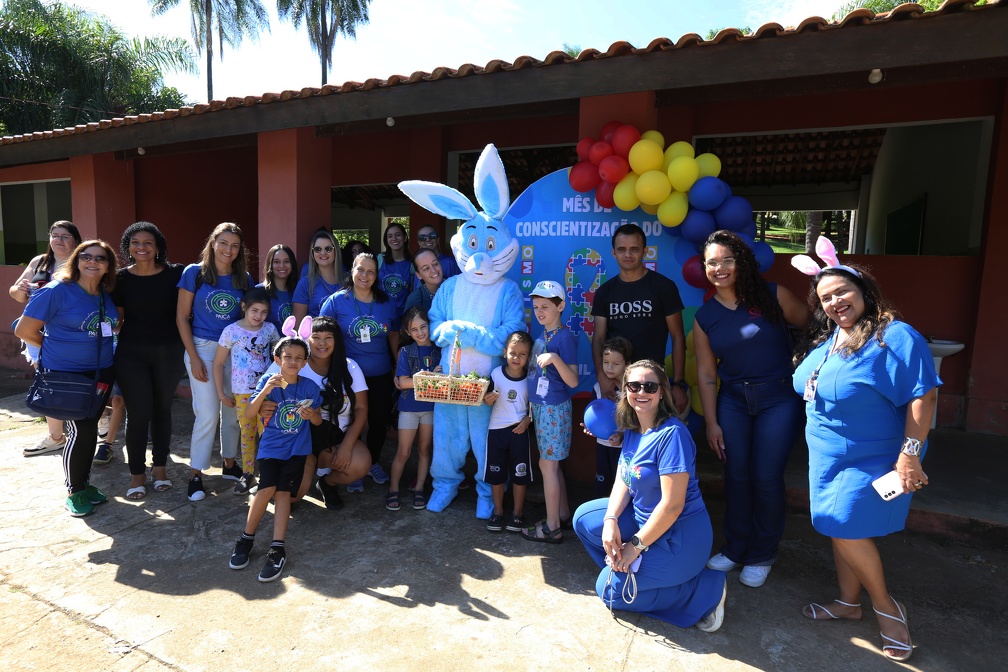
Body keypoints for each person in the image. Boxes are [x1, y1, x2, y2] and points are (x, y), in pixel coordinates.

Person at [791, 241, 938, 663]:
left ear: (864, 291)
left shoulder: (893, 336)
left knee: (845, 524)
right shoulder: (831, 340)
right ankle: (848, 603)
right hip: (826, 455)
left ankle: (887, 609)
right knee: (839, 528)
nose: (835, 302)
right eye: (826, 298)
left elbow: (922, 397)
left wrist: (910, 455)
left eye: (842, 292)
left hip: (873, 454)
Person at [573, 359, 727, 631]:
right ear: (625, 389)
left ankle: (701, 588)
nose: (641, 392)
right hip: (645, 522)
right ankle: (625, 570)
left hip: (679, 536)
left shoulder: (672, 435)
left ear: (662, 391)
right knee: (585, 519)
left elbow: (672, 506)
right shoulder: (634, 427)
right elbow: (624, 473)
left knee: (609, 592)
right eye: (634, 385)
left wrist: (634, 547)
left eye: (650, 386)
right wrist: (610, 519)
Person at [692, 230, 809, 589]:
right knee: (737, 475)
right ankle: (736, 547)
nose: (719, 268)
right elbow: (707, 373)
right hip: (734, 402)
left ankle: (762, 553)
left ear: (741, 262)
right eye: (712, 262)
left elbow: (813, 329)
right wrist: (711, 422)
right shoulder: (704, 317)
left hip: (778, 399)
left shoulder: (774, 296)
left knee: (766, 477)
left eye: (727, 259)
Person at [15, 240, 118, 517]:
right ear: (76, 260)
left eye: (100, 258)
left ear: (108, 266)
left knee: (89, 428)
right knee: (79, 431)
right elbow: (24, 330)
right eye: (86, 256)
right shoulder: (57, 291)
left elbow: (111, 326)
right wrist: (57, 350)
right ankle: (74, 490)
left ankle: (84, 484)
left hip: (101, 372)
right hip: (67, 374)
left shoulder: (104, 294)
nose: (93, 262)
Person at [229, 336, 322, 583]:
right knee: (265, 489)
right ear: (277, 359)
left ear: (304, 363)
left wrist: (311, 414)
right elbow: (248, 414)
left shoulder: (310, 387)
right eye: (288, 357)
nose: (293, 361)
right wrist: (266, 392)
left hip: (297, 450)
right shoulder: (267, 382)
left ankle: (277, 548)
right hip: (270, 448)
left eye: (298, 358)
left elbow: (318, 421)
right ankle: (246, 539)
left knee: (282, 494)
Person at [176, 222, 253, 502]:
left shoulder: (244, 278)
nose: (228, 250)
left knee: (233, 410)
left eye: (234, 245)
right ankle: (196, 474)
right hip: (203, 349)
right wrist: (194, 357)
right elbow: (181, 317)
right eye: (223, 243)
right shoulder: (194, 274)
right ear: (212, 243)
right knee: (208, 413)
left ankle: (230, 463)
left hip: (236, 352)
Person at [112, 222, 184, 499]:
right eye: (135, 243)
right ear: (127, 247)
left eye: (148, 243)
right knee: (139, 413)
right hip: (131, 355)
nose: (141, 247)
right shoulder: (119, 278)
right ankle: (137, 475)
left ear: (158, 247)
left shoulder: (175, 274)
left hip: (169, 352)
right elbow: (115, 318)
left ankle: (160, 469)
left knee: (162, 411)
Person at [319, 252, 396, 492]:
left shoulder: (386, 303)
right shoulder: (335, 302)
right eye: (360, 269)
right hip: (346, 377)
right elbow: (321, 336)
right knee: (351, 421)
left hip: (381, 374)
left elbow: (393, 334)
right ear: (351, 271)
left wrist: (397, 365)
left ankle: (371, 462)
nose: (365, 275)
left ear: (376, 276)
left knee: (378, 421)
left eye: (371, 271)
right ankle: (352, 467)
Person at [590, 224, 688, 413]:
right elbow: (599, 338)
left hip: (652, 383)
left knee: (651, 438)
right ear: (613, 253)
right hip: (616, 383)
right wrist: (601, 375)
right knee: (614, 440)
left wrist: (678, 384)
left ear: (645, 251)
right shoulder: (605, 292)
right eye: (622, 249)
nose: (628, 254)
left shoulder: (664, 287)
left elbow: (678, 337)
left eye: (634, 249)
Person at [10, 220, 82, 457]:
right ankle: (56, 437)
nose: (59, 240)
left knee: (71, 381)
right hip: (35, 331)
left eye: (65, 236)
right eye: (55, 235)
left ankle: (100, 418)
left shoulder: (82, 263)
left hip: (68, 333)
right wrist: (20, 289)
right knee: (48, 380)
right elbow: (16, 294)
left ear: (75, 241)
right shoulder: (39, 262)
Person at [523, 280, 578, 544]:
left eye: (545, 306)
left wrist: (555, 359)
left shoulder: (564, 337)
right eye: (536, 307)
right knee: (550, 465)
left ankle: (553, 527)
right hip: (542, 409)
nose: (540, 311)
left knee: (548, 465)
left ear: (561, 306)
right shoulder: (543, 336)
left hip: (554, 409)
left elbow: (574, 381)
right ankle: (563, 515)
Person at [213, 287, 280, 495]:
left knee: (267, 432)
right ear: (244, 307)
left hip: (268, 390)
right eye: (254, 311)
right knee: (247, 432)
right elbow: (218, 363)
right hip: (242, 393)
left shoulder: (269, 329)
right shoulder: (231, 331)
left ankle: (269, 476)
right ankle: (248, 473)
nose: (259, 316)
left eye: (263, 312)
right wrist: (221, 395)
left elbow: (280, 356)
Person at [387, 307, 440, 511]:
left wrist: (420, 379)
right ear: (408, 333)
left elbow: (441, 379)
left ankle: (419, 487)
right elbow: (403, 382)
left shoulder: (439, 351)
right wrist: (429, 378)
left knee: (425, 449)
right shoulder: (406, 351)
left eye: (423, 327)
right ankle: (393, 489)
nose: (420, 332)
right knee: (403, 451)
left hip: (430, 409)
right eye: (414, 329)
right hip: (409, 407)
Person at [483, 330, 533, 533]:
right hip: (496, 431)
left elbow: (534, 405)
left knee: (519, 475)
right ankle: (498, 512)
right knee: (496, 474)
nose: (516, 358)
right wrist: (487, 399)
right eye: (513, 352)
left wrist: (529, 419)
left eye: (522, 354)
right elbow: (486, 398)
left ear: (528, 357)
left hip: (519, 433)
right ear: (505, 352)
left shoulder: (531, 378)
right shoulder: (495, 374)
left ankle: (518, 514)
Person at [591, 336, 632, 497]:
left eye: (615, 364)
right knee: (602, 487)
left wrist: (622, 435)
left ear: (627, 365)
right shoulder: (597, 388)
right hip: (603, 446)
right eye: (605, 362)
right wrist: (590, 427)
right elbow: (592, 414)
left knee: (624, 489)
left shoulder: (633, 390)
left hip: (626, 448)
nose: (609, 368)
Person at [293, 229, 343, 321]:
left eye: (328, 249)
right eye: (317, 249)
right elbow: (298, 327)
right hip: (315, 334)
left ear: (335, 251)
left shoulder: (348, 280)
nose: (323, 253)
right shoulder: (305, 284)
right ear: (312, 253)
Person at [378, 221, 414, 338]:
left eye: (398, 235)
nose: (394, 238)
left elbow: (414, 289)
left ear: (405, 238)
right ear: (386, 240)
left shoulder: (412, 262)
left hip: (403, 315)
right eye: (390, 236)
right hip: (381, 312)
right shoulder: (380, 259)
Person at [258, 244, 297, 331]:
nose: (282, 265)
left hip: (293, 343)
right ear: (270, 264)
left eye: (287, 261)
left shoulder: (298, 291)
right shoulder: (260, 291)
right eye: (276, 262)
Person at [403, 248, 444, 313]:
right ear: (419, 275)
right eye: (426, 268)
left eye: (435, 264)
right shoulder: (414, 299)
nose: (433, 270)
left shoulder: (456, 287)